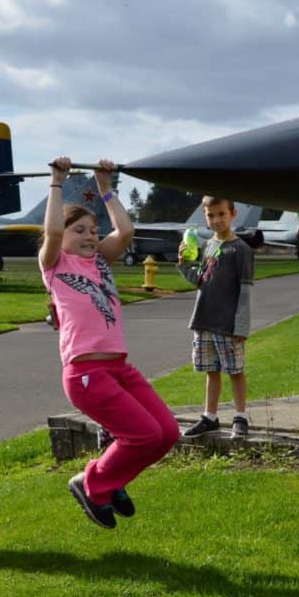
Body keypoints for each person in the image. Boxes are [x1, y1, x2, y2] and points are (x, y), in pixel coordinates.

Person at [40, 157, 180, 529]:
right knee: (143, 434)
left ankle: (108, 480)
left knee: (166, 434)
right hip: (86, 372)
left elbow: (127, 230)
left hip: (118, 367)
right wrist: (58, 182)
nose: (89, 236)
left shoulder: (100, 260)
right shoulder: (55, 265)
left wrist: (106, 188)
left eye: (93, 230)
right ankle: (94, 483)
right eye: (80, 230)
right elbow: (53, 234)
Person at [177, 196, 254, 438]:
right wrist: (183, 264)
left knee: (235, 371)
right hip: (204, 320)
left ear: (233, 214)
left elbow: (245, 292)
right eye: (211, 215)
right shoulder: (207, 246)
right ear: (205, 216)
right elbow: (200, 281)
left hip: (228, 324)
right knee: (211, 370)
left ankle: (240, 417)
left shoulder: (241, 250)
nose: (217, 220)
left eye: (221, 214)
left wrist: (241, 326)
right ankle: (210, 417)